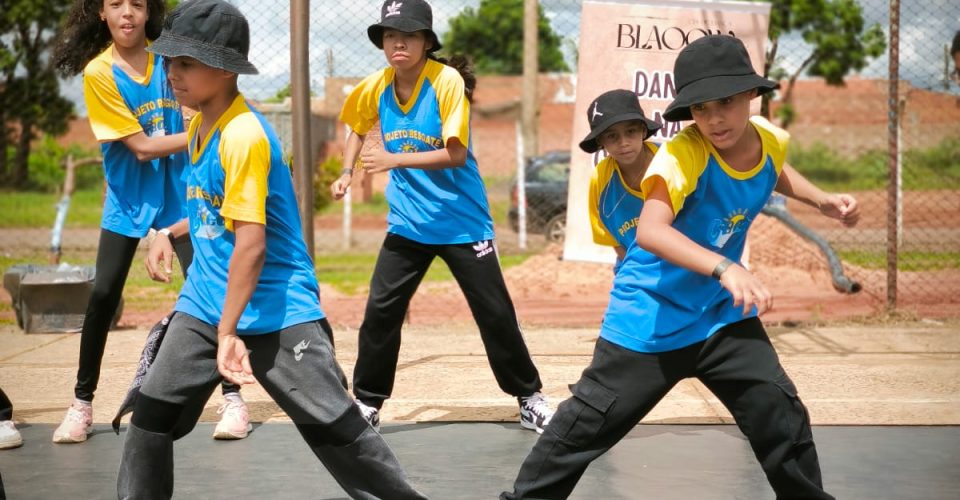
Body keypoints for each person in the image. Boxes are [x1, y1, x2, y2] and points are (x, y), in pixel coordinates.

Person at [502, 35, 860, 499]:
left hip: (721, 318)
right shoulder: (682, 153)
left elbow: (774, 167)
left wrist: (823, 200)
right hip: (651, 316)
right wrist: (726, 268)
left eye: (726, 102)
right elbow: (649, 230)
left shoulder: (770, 138)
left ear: (752, 96)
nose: (714, 118)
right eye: (701, 107)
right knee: (583, 425)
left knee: (781, 417)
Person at [118, 1, 426, 498]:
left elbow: (252, 245)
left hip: (277, 309)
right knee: (150, 419)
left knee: (335, 429)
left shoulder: (243, 135)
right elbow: (215, 211)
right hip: (205, 303)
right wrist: (169, 232)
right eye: (170, 61)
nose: (170, 72)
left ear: (222, 68)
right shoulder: (199, 125)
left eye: (184, 63)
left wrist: (228, 331)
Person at [330, 0, 554, 434]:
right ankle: (368, 403)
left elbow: (455, 154)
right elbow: (356, 124)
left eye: (409, 35)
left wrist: (393, 160)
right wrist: (345, 170)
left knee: (494, 312)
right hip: (409, 224)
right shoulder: (376, 86)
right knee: (381, 309)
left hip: (462, 223)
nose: (399, 42)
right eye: (391, 35)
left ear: (427, 42)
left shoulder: (446, 82)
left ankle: (529, 398)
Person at [51, 0, 250, 444]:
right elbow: (140, 147)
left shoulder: (169, 58)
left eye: (137, 4)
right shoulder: (100, 72)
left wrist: (209, 130)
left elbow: (204, 105)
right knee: (102, 295)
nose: (127, 13)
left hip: (180, 197)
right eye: (116, 4)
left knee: (211, 289)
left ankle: (233, 399)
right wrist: (204, 133)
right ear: (100, 13)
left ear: (149, 11)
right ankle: (82, 404)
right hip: (128, 199)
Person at [581, 89, 662, 272]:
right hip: (633, 266)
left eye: (631, 131)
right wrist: (641, 271)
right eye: (612, 136)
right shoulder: (601, 178)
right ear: (601, 141)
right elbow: (612, 237)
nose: (623, 142)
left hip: (683, 265)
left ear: (643, 130)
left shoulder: (670, 161)